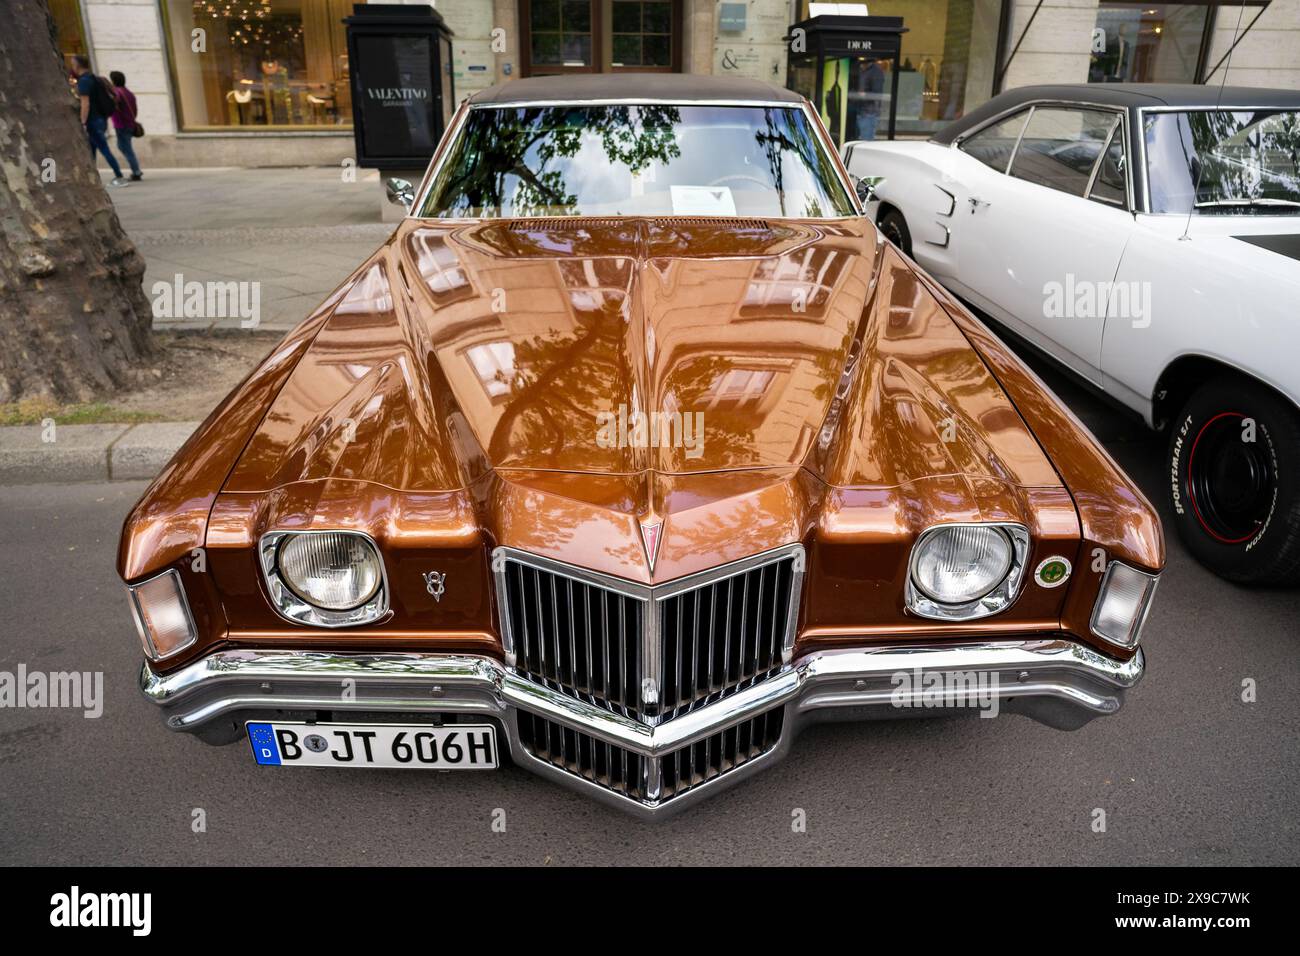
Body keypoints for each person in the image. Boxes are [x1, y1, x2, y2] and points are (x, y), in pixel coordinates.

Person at [71, 55, 128, 186]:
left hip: (92, 120)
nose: (72, 67)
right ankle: (92, 177)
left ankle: (119, 175)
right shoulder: (95, 79)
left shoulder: (84, 81)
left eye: (73, 64)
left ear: (77, 65)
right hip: (100, 119)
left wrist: (82, 121)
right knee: (92, 149)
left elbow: (85, 103)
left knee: (103, 148)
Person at [108, 71, 143, 181]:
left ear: (113, 81)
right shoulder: (129, 92)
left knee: (126, 148)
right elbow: (135, 109)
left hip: (121, 124)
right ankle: (136, 170)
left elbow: (114, 103)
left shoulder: (117, 92)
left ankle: (136, 171)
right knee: (124, 146)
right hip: (129, 123)